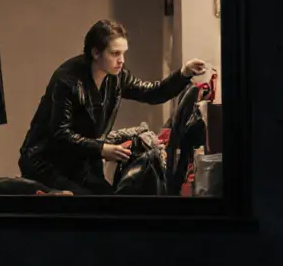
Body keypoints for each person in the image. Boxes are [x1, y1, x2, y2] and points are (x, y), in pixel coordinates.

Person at [17, 19, 207, 195]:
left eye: (123, 53)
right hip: (46, 162)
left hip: (80, 162)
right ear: (95, 53)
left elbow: (153, 92)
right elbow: (61, 134)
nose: (122, 60)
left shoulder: (117, 77)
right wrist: (102, 149)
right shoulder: (67, 80)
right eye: (115, 53)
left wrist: (184, 73)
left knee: (111, 204)